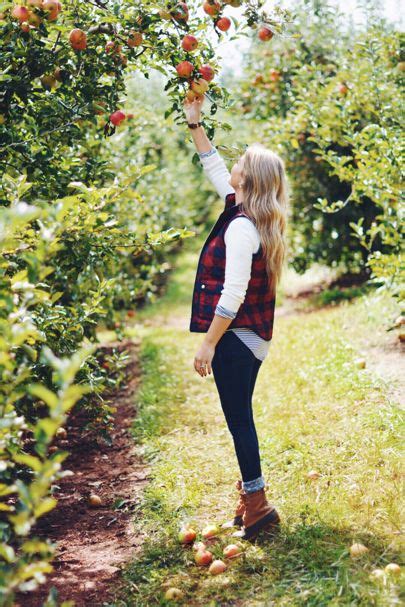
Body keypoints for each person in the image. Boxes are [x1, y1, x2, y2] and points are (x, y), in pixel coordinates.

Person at [183, 95, 289, 541]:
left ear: (249, 178)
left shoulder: (243, 226)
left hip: (238, 337)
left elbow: (232, 295)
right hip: (252, 335)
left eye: (240, 161)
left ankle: (258, 502)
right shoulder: (245, 209)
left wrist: (208, 342)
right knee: (240, 416)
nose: (233, 164)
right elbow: (211, 164)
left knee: (239, 419)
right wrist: (195, 123)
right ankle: (250, 498)